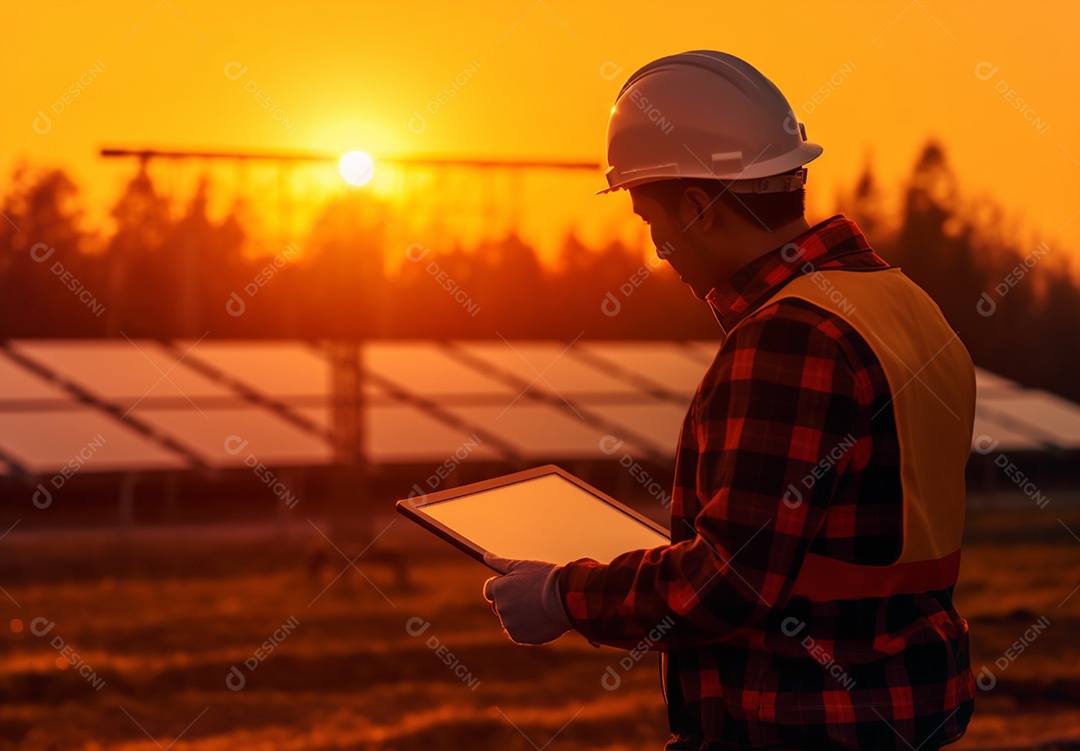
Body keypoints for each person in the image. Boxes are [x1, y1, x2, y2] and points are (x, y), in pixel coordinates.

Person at [483, 50, 976, 751]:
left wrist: (562, 596)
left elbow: (731, 580)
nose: (658, 250)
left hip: (801, 723)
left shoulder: (790, 339)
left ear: (694, 207)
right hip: (906, 713)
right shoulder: (903, 303)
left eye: (650, 218)